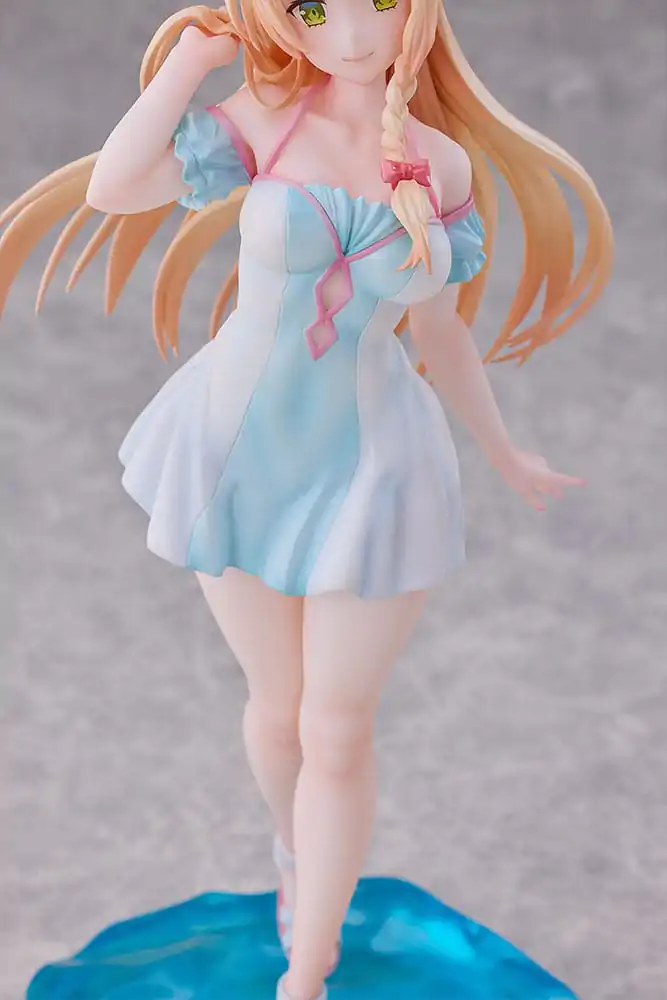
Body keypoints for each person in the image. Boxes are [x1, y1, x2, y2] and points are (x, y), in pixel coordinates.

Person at [0, 3, 613, 999]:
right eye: (314, 10)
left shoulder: (438, 166)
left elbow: (441, 329)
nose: (354, 36)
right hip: (238, 446)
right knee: (278, 709)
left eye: (380, 5)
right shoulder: (262, 122)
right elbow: (116, 187)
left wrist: (503, 448)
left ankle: (309, 967)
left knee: (336, 723)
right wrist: (188, 65)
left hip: (369, 461)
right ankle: (296, 860)